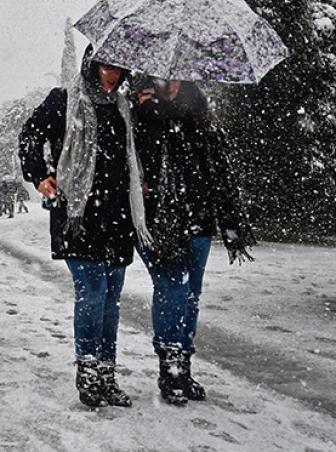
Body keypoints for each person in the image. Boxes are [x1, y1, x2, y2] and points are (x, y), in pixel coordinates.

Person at [19, 47, 149, 408]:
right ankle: (88, 372)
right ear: (92, 65)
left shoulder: (125, 107)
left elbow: (140, 151)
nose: (113, 74)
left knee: (110, 299)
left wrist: (151, 104)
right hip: (78, 213)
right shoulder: (64, 100)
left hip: (117, 215)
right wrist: (39, 175)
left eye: (120, 67)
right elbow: (30, 135)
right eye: (107, 66)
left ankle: (107, 374)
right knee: (92, 291)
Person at [132, 76, 254, 405]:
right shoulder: (138, 112)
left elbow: (220, 170)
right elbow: (127, 160)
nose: (169, 81)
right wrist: (150, 115)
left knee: (190, 296)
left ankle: (183, 366)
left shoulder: (199, 114)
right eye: (162, 74)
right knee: (172, 287)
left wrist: (230, 221)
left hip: (197, 221)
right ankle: (170, 366)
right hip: (157, 222)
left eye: (175, 73)